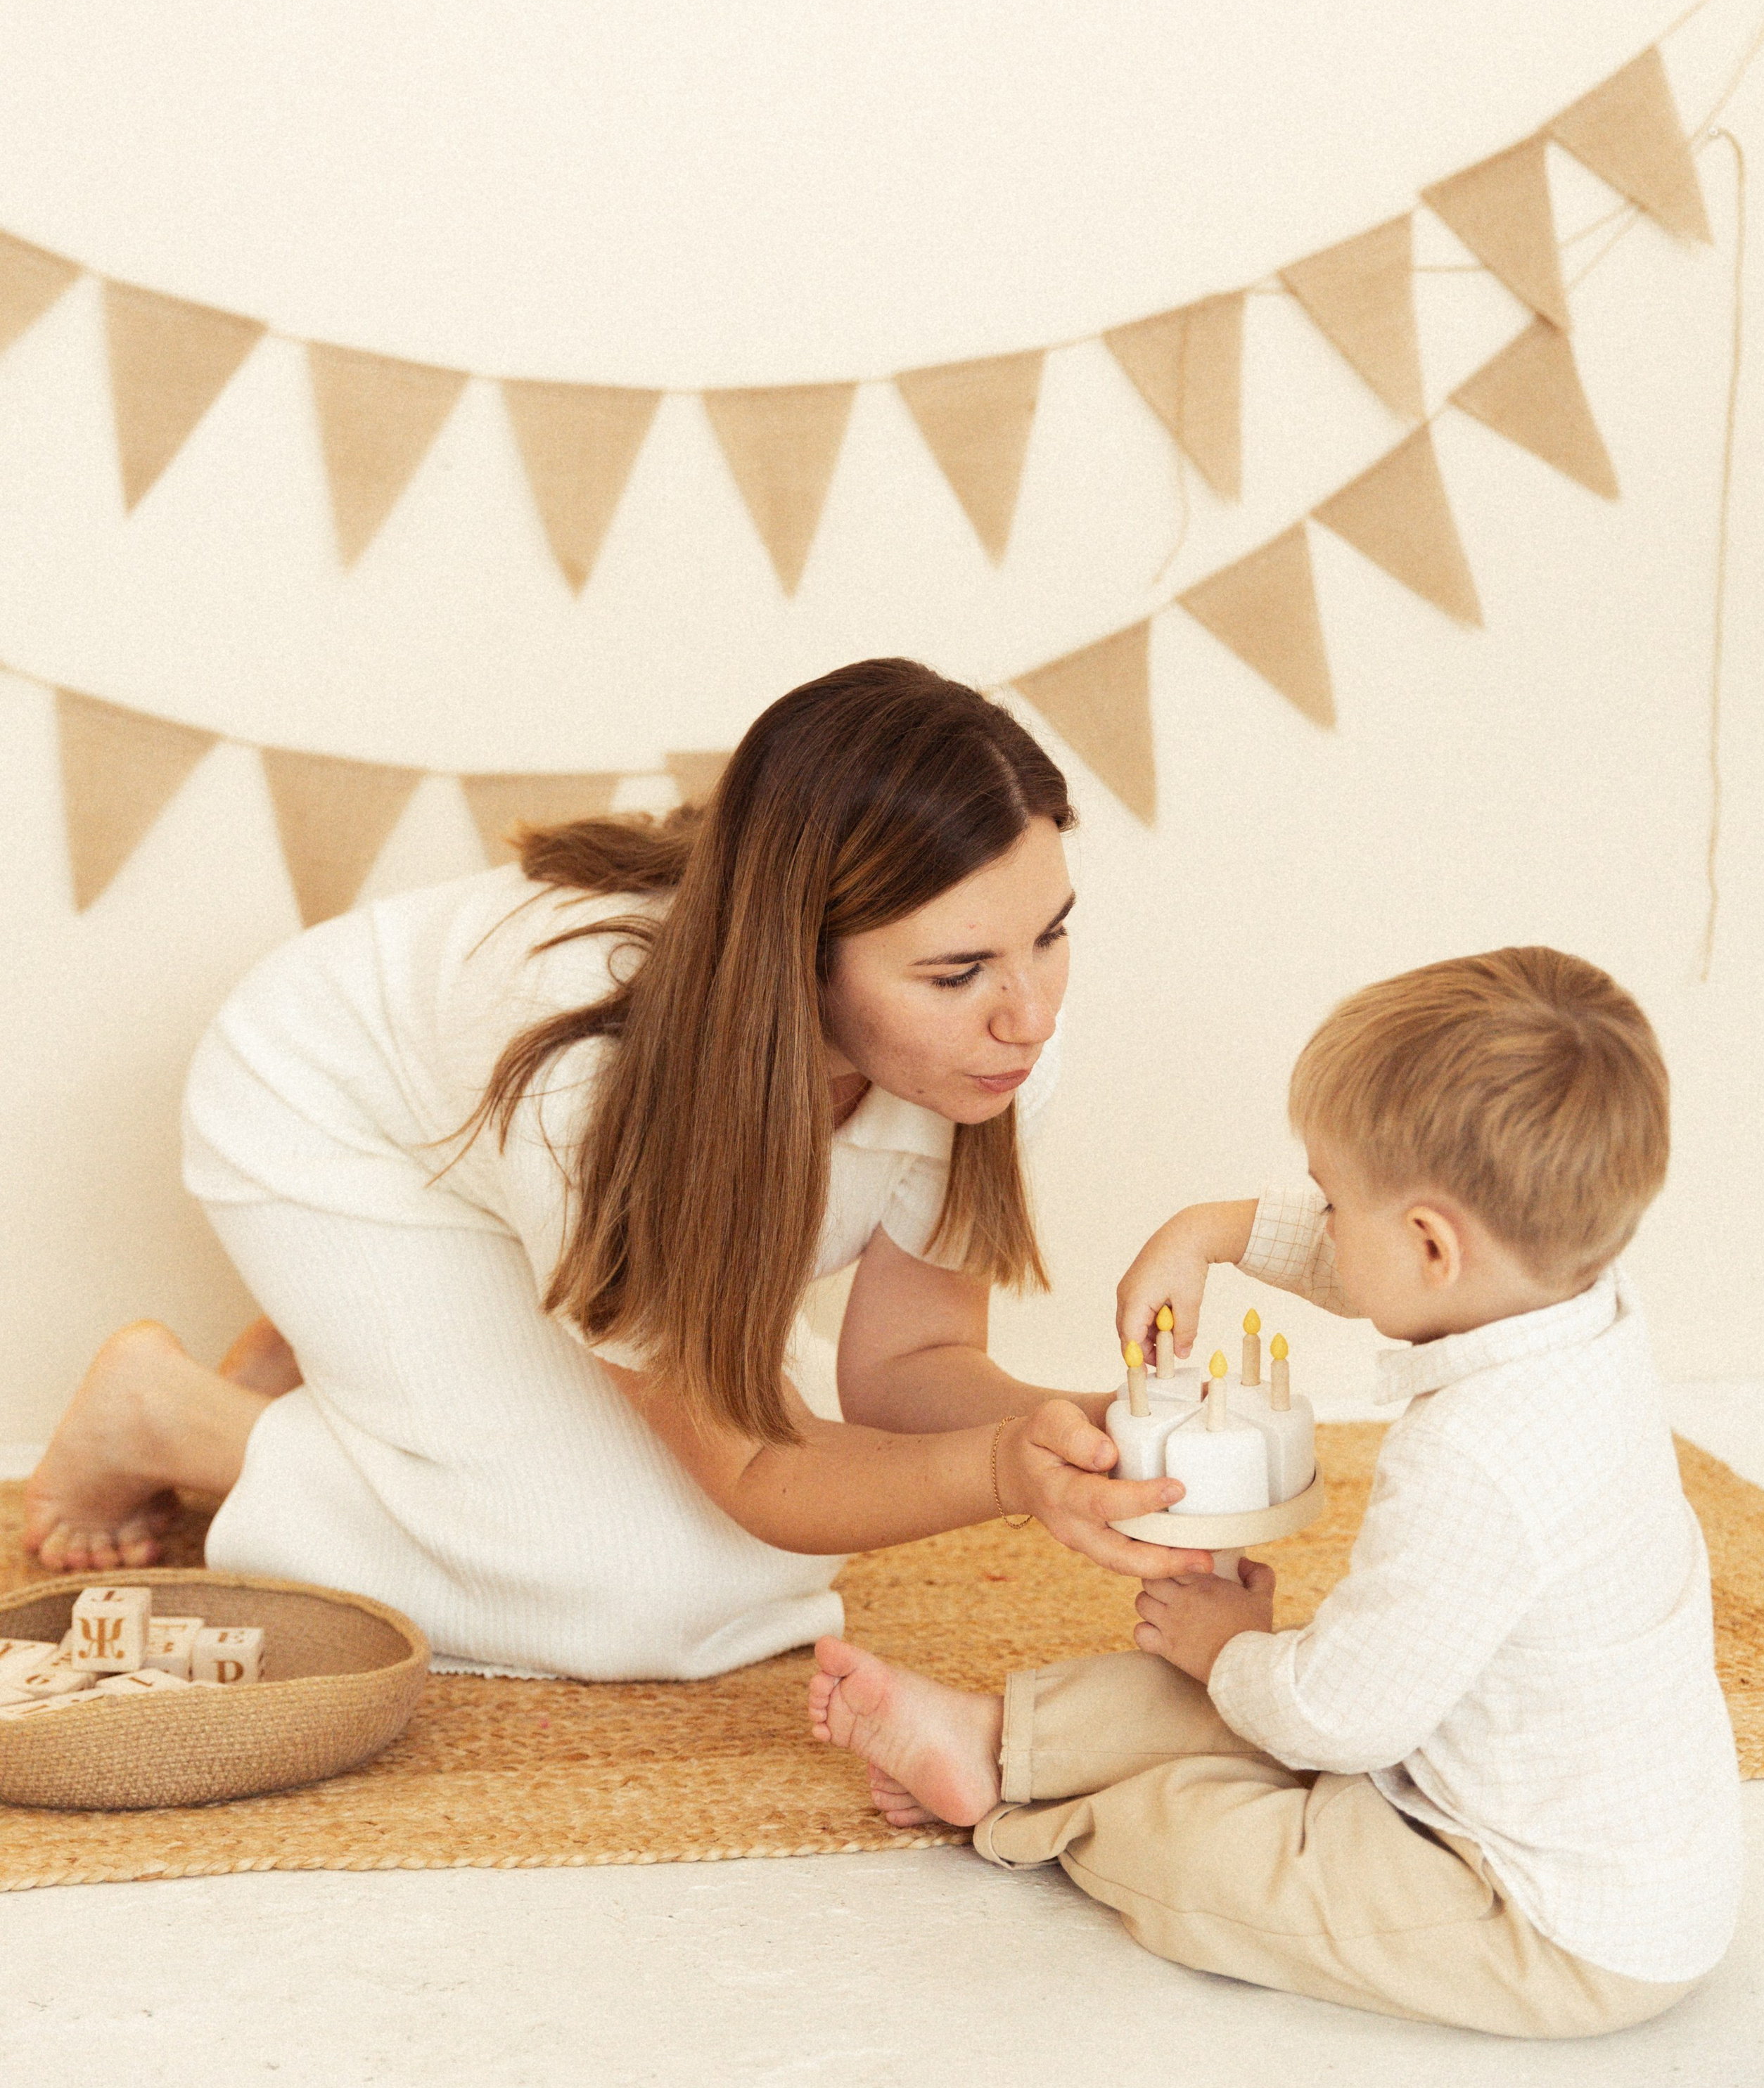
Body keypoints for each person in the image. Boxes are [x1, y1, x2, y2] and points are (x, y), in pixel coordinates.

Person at [25, 658, 1205, 1679]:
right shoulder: (600, 1089)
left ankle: (362, 1356)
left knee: (769, 1549)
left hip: (521, 1161)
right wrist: (1002, 1470)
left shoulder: (988, 1055)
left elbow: (908, 1369)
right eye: (957, 974)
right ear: (798, 959)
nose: (1030, 1015)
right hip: (346, 1124)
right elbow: (757, 1467)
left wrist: (1107, 1432)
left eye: (1051, 934)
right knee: (642, 1589)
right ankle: (172, 1418)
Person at [808, 947, 1743, 2037]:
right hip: (1449, 1765)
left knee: (1204, 1837)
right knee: (1222, 1681)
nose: (1322, 1219)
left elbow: (1336, 1719)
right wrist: (1211, 1234)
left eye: (1331, 1200)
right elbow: (1385, 1265)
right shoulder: (1573, 1298)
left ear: (1432, 1244)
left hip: (1535, 1918)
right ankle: (993, 1740)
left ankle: (1050, 1803)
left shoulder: (1478, 1458)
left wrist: (1233, 1653)